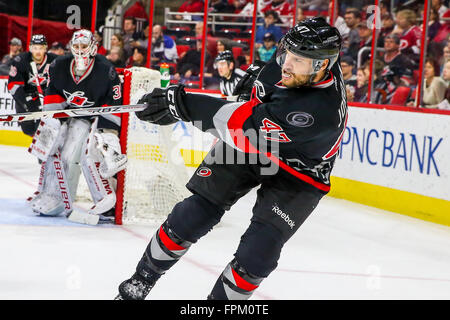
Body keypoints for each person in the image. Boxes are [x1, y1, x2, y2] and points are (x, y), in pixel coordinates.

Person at [116, 17, 347, 300]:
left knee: (259, 253)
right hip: (255, 141)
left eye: (298, 61)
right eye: (287, 54)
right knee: (192, 214)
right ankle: (139, 283)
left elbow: (240, 127)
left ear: (322, 65)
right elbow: (263, 93)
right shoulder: (292, 59)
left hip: (300, 173)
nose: (286, 64)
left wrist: (181, 105)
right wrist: (260, 77)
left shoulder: (319, 111)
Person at [28, 29, 127, 222]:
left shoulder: (106, 70)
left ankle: (106, 199)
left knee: (90, 155)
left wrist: (107, 135)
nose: (80, 50)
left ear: (93, 48)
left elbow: (114, 106)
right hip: (74, 117)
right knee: (62, 153)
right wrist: (53, 125)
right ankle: (53, 196)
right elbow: (53, 98)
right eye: (76, 46)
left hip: (97, 117)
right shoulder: (58, 66)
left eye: (84, 46)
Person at [7, 34, 57, 137]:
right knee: (28, 130)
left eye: (41, 48)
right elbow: (13, 86)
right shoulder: (20, 60)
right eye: (35, 48)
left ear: (46, 48)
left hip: (46, 97)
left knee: (44, 127)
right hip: (26, 97)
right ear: (30, 48)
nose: (38, 52)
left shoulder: (55, 61)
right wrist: (26, 105)